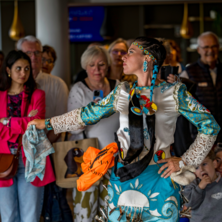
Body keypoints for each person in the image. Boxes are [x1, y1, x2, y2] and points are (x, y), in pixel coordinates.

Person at [28, 37, 220, 222]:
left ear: (147, 59)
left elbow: (210, 125)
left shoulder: (174, 93)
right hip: (124, 178)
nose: (123, 57)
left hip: (160, 177)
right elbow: (86, 115)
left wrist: (185, 161)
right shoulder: (123, 91)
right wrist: (48, 123)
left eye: (130, 52)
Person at [16, 36, 71, 222]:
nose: (33, 57)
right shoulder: (9, 87)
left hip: (48, 153)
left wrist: (41, 148)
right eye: (27, 53)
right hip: (15, 155)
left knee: (47, 208)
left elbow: (62, 122)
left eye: (37, 53)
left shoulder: (57, 84)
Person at [0, 50, 55, 222]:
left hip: (30, 159)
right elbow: (29, 124)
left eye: (26, 69)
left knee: (30, 218)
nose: (23, 73)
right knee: (9, 217)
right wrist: (26, 121)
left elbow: (37, 125)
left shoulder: (37, 95)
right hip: (3, 159)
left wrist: (7, 122)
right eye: (18, 68)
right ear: (8, 70)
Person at [68, 45, 119, 221]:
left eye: (101, 64)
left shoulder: (117, 87)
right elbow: (73, 127)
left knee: (111, 211)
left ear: (108, 65)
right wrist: (93, 113)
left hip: (113, 159)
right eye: (92, 65)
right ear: (85, 66)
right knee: (86, 212)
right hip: (87, 160)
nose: (96, 69)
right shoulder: (79, 90)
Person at [180, 31, 222, 142]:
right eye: (206, 47)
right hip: (200, 138)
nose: (210, 51)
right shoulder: (189, 73)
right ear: (199, 50)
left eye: (214, 47)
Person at [183, 150, 222, 222]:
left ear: (214, 164)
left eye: (204, 164)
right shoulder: (192, 185)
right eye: (197, 167)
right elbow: (190, 205)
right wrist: (200, 188)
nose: (201, 169)